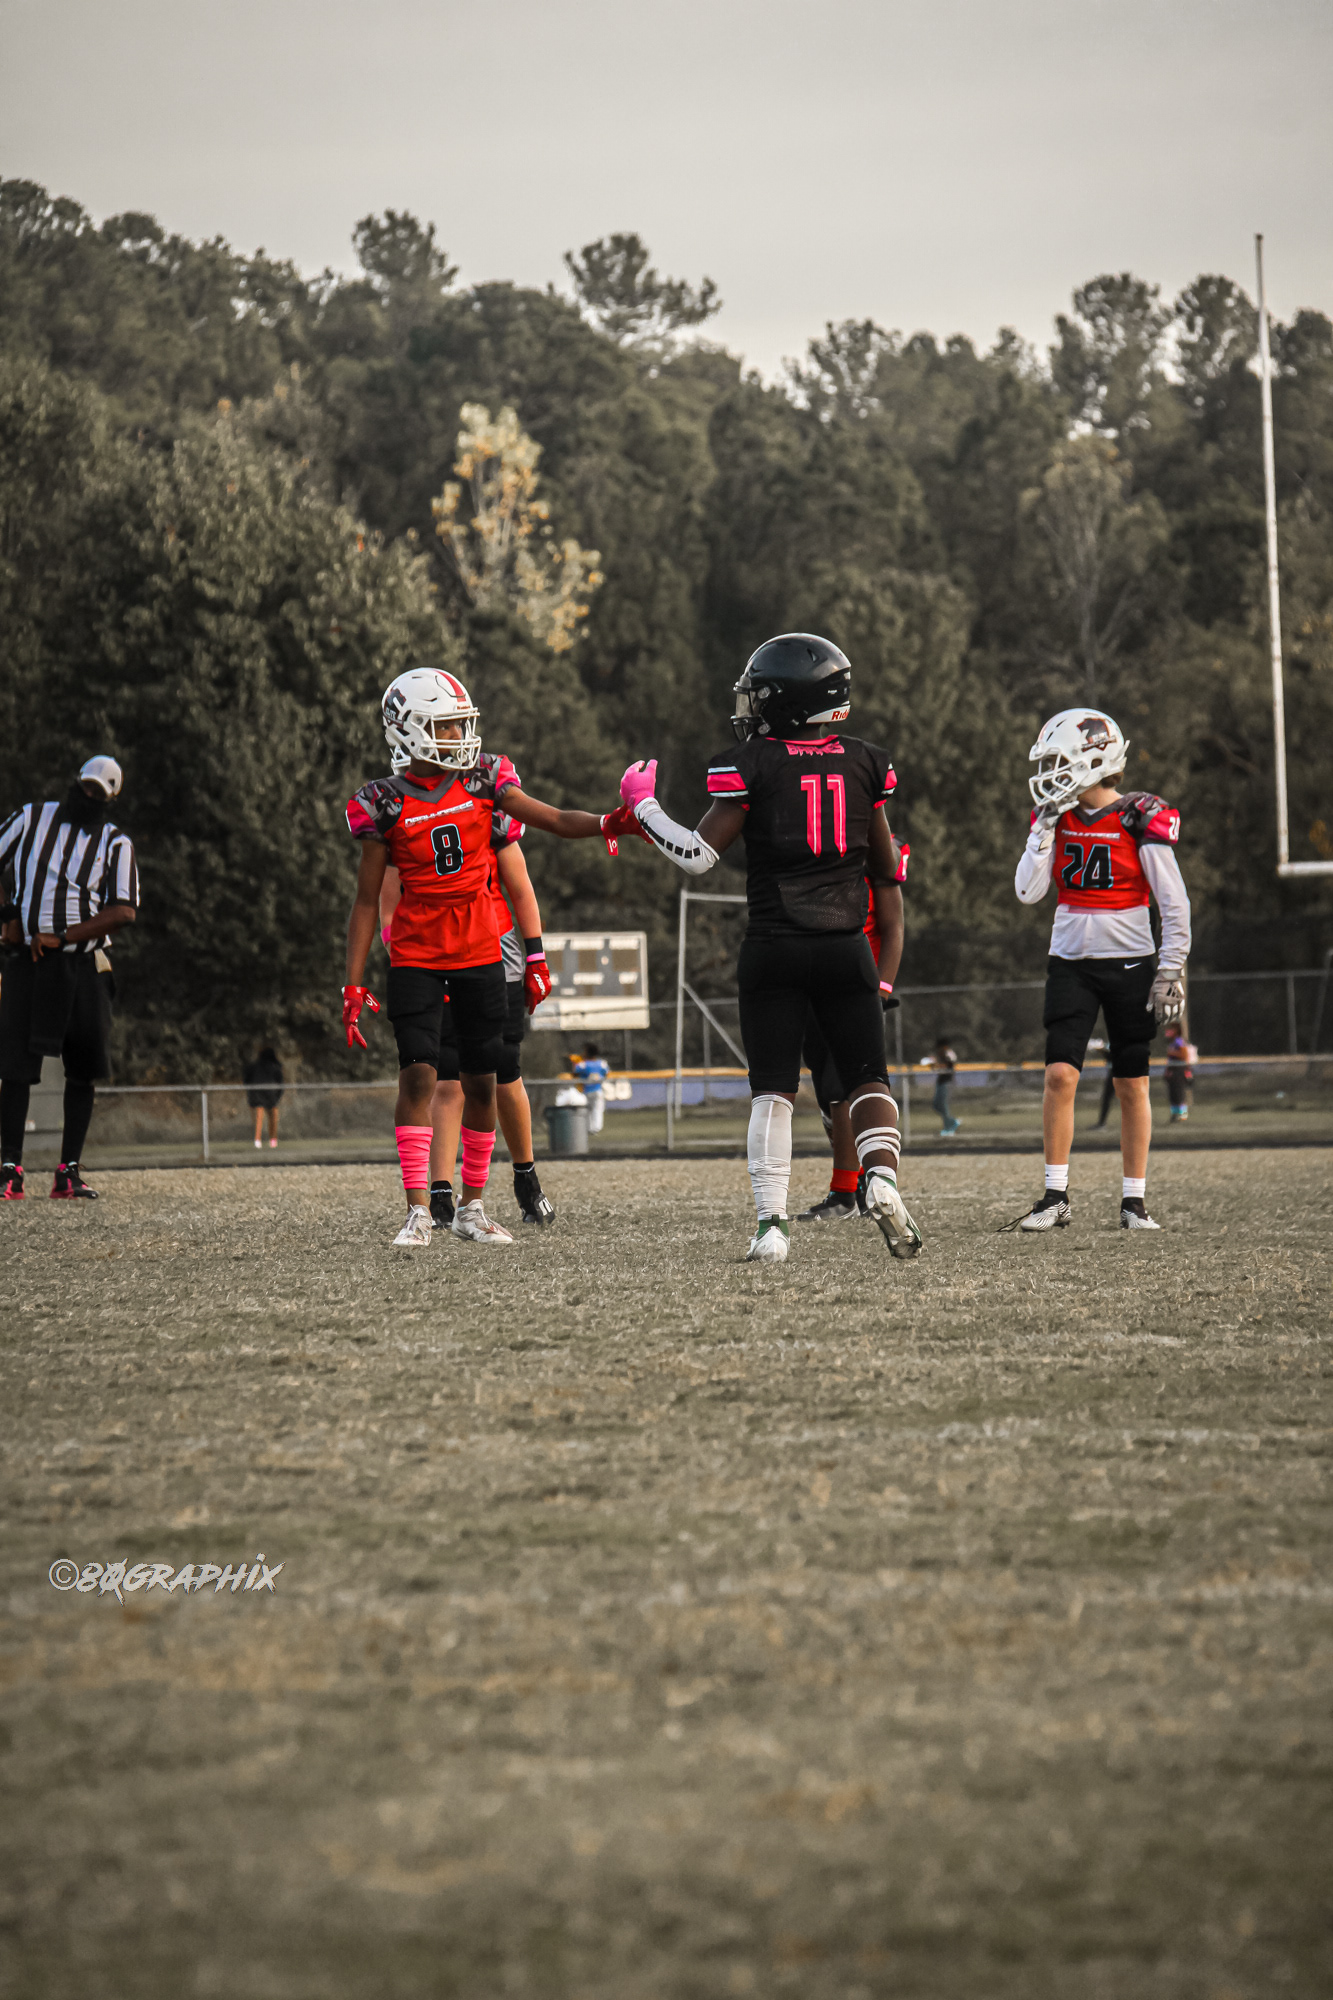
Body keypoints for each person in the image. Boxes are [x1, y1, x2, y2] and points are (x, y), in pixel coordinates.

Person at [617, 632, 922, 1264]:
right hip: (846, 945)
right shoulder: (866, 762)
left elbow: (697, 855)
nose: (751, 706)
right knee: (868, 1078)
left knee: (774, 1091)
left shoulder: (753, 762)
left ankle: (771, 1226)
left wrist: (644, 808)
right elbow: (885, 865)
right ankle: (883, 1180)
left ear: (786, 700)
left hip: (775, 946)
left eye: (760, 695)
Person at [343, 666, 632, 1248]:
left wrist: (608, 821)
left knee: (483, 1081)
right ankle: (418, 1210)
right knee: (419, 1075)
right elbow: (368, 900)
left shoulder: (486, 780)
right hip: (417, 954)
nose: (459, 737)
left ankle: (472, 1208)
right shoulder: (382, 802)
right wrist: (352, 982)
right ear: (409, 729)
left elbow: (552, 819)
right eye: (446, 727)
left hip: (480, 950)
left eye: (460, 725)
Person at [1010, 708, 1190, 1232]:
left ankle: (1134, 1201)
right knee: (1059, 1074)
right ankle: (1055, 1196)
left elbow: (1173, 901)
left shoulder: (1138, 815)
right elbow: (1028, 892)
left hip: (1131, 963)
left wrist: (1171, 968)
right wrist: (1042, 832)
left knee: (1132, 1082)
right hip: (1070, 962)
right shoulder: (1056, 816)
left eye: (1058, 762)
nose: (1049, 774)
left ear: (1093, 760)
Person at [381, 800, 558, 1229]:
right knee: (445, 1073)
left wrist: (536, 956)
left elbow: (520, 884)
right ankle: (441, 1191)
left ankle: (525, 1177)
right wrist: (408, 961)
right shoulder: (401, 812)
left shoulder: (485, 807)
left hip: (494, 948)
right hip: (431, 952)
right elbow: (385, 902)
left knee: (503, 1069)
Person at [0, 757, 139, 1201]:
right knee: (16, 1067)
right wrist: (8, 915)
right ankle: (9, 1169)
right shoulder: (30, 818)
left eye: (99, 792)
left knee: (83, 1069)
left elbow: (124, 910)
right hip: (29, 960)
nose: (89, 796)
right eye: (86, 787)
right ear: (76, 783)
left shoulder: (115, 843)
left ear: (110, 799)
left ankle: (69, 1171)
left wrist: (63, 937)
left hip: (83, 964)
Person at [796, 842, 910, 1221]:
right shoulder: (812, 847)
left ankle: (845, 1193)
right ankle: (856, 1182)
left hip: (858, 988)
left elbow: (893, 927)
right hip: (813, 982)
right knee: (827, 1093)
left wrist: (882, 990)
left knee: (842, 1089)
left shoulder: (876, 849)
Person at [244, 1046, 285, 1148]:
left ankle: (260, 1140)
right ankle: (268, 1140)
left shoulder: (270, 1068)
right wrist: (277, 1096)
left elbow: (246, 1081)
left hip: (264, 1096)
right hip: (268, 1096)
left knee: (261, 1117)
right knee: (268, 1117)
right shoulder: (273, 1067)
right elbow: (281, 1084)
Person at [569, 1043, 610, 1134]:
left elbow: (574, 1074)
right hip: (597, 1090)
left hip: (586, 1090)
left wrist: (574, 1063)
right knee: (597, 1110)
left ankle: (588, 1128)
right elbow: (606, 1073)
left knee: (587, 1110)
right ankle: (596, 1128)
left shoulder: (583, 1064)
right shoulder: (602, 1063)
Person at [930, 1037, 961, 1137]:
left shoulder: (949, 1054)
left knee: (943, 1105)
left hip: (947, 1082)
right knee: (936, 1105)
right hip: (941, 1081)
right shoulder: (941, 1055)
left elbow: (948, 1066)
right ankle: (951, 1122)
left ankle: (949, 1127)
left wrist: (936, 1064)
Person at [1163, 1024, 1194, 1121]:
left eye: (1170, 1029)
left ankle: (1183, 1114)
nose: (1167, 1032)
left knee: (1179, 1092)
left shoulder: (1179, 1041)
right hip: (1173, 1069)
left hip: (1179, 1069)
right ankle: (1175, 1113)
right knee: (1173, 1094)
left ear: (1176, 1030)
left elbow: (1184, 1055)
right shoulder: (1172, 1042)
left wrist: (1172, 1053)